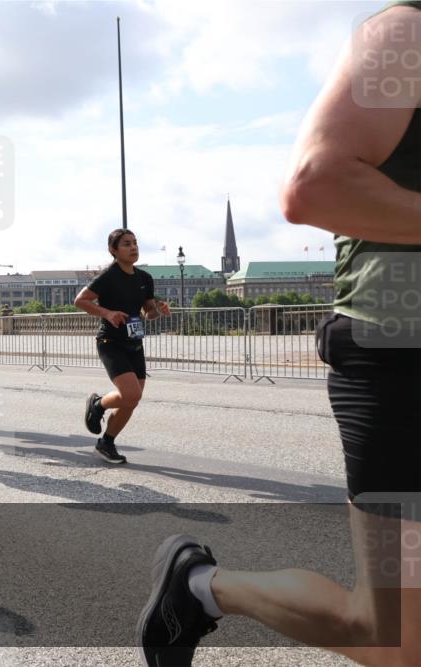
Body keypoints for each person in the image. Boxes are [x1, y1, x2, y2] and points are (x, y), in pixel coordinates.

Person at [138, 4, 421, 665]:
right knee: (393, 636)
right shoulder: (407, 31)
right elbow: (313, 185)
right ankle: (199, 586)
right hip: (401, 353)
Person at [74, 229, 170, 464]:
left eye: (135, 243)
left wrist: (159, 310)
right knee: (131, 394)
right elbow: (80, 301)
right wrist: (107, 313)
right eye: (126, 244)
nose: (133, 247)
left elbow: (148, 313)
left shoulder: (144, 278)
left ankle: (106, 443)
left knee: (132, 400)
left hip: (134, 343)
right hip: (111, 342)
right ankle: (98, 404)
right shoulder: (109, 276)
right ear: (113, 250)